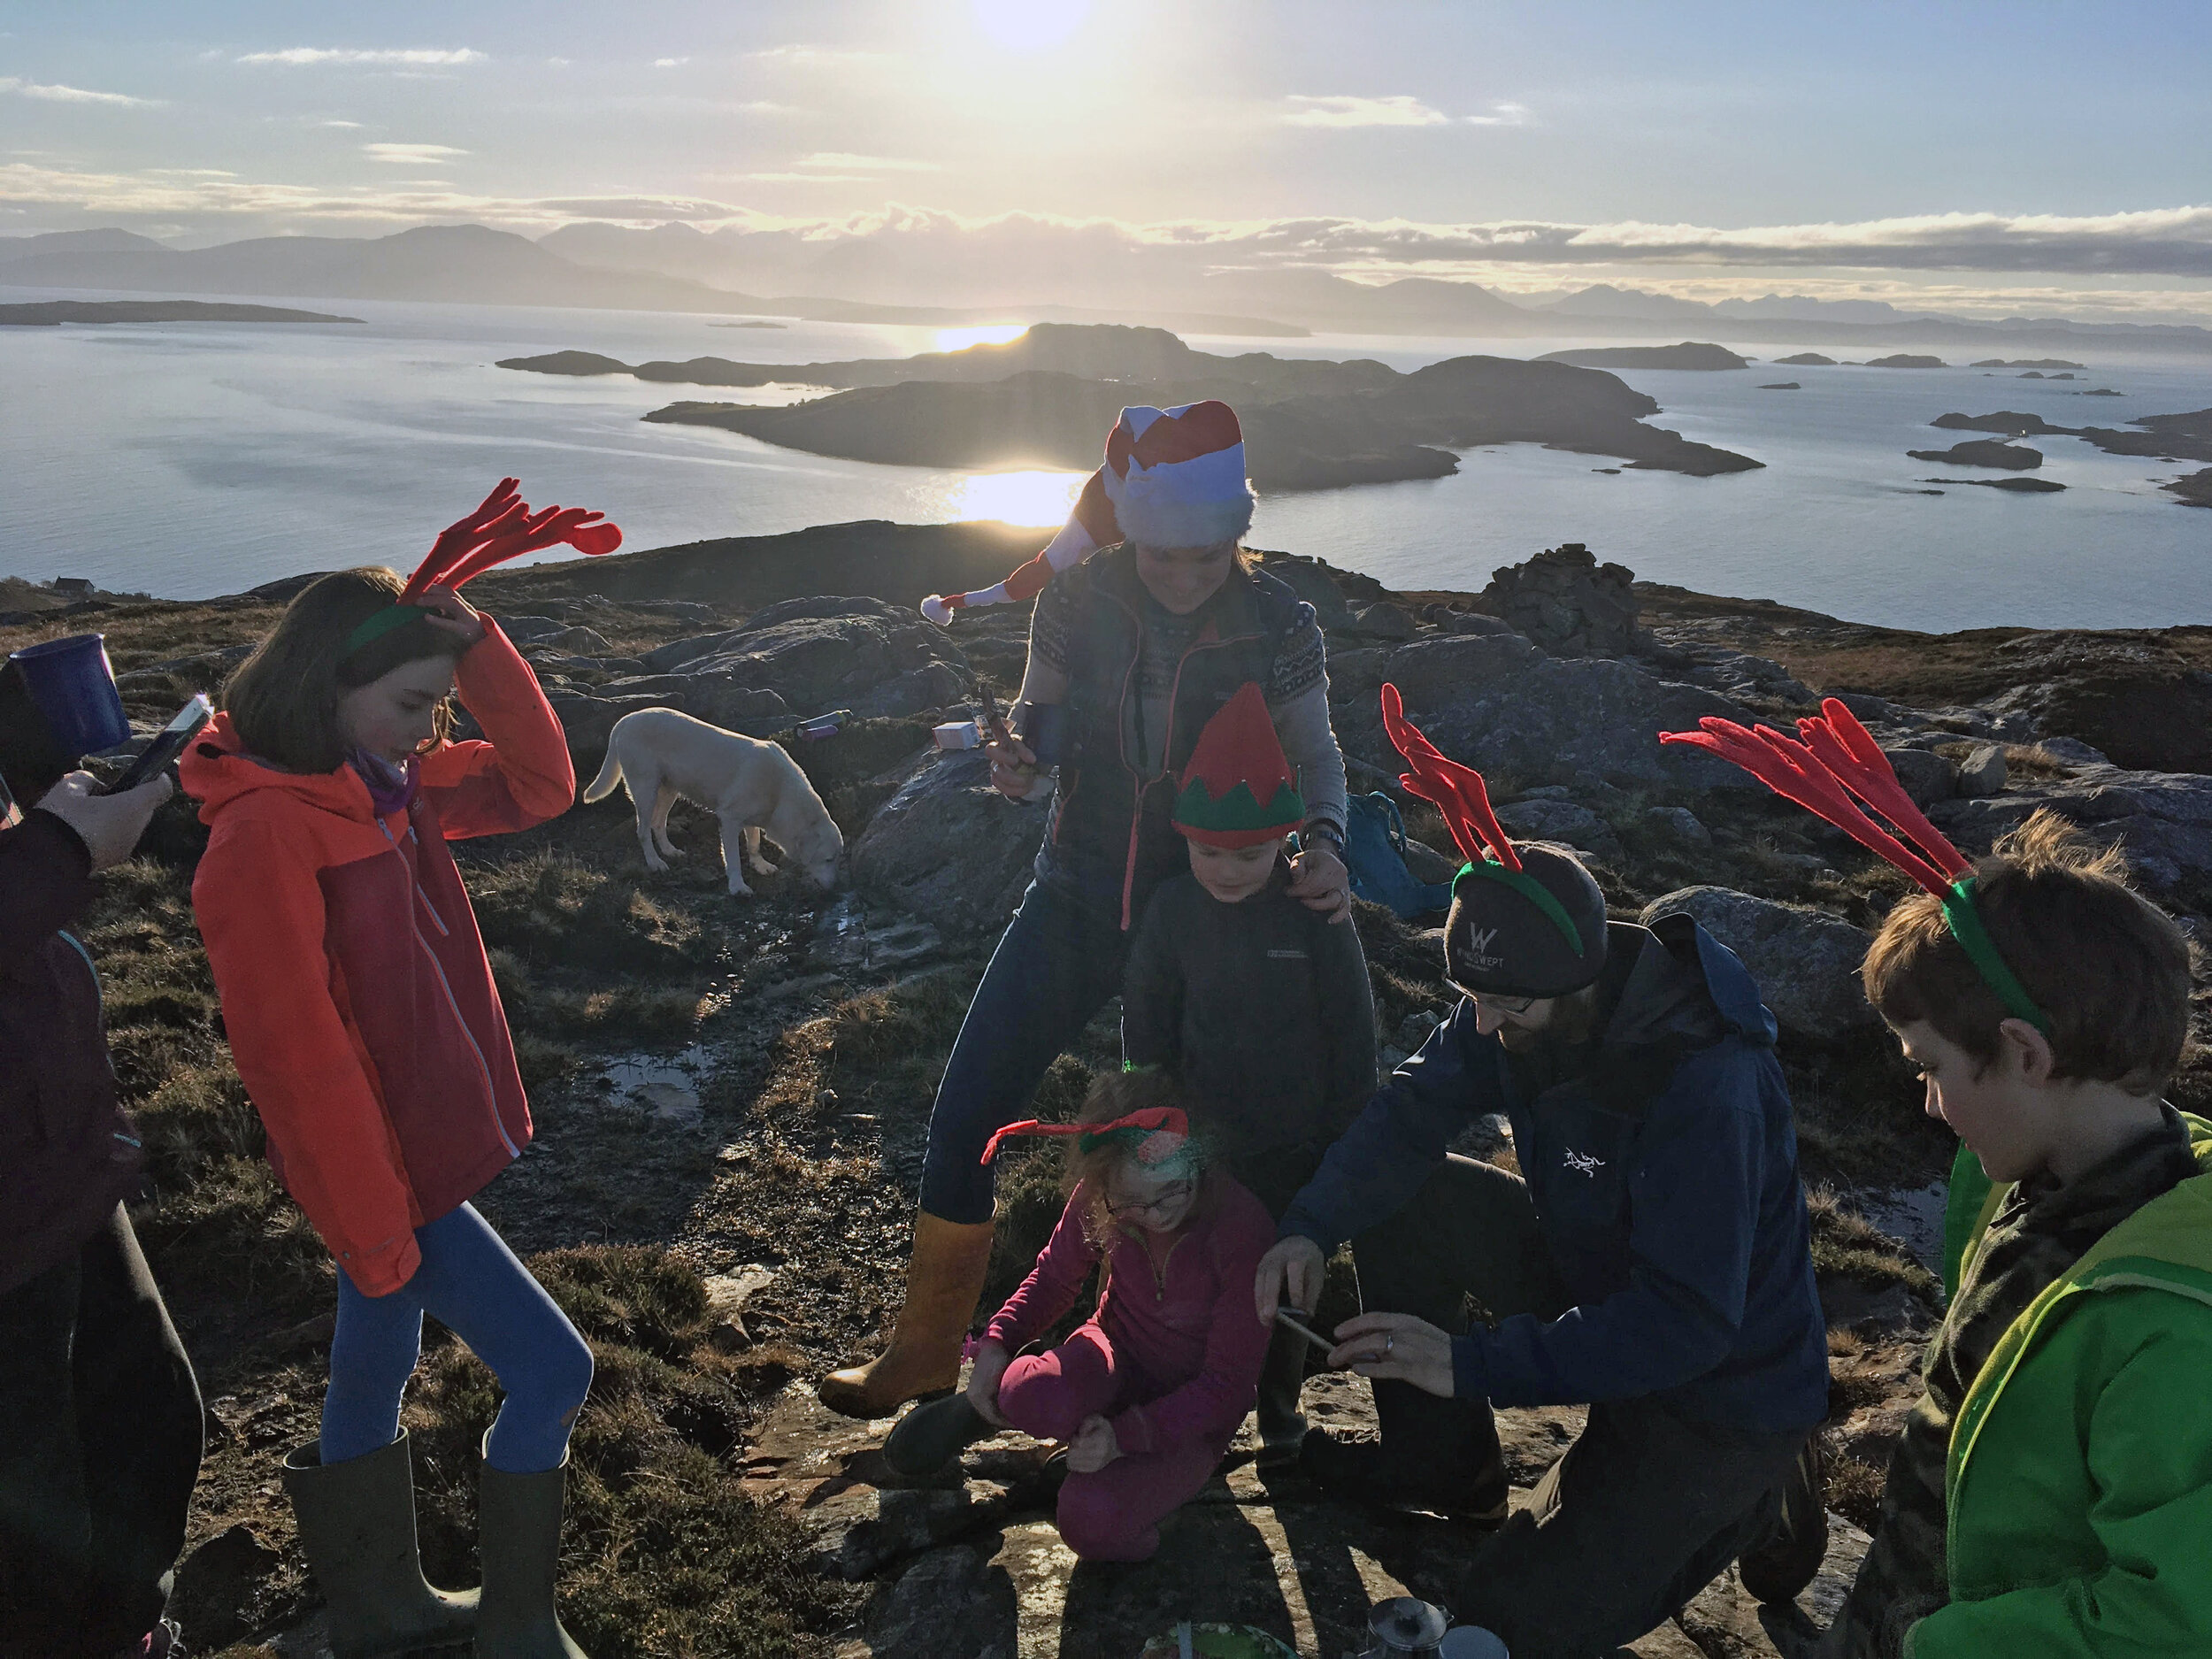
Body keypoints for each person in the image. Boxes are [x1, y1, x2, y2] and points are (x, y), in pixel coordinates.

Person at [1253, 686, 1831, 1659]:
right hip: (1599, 1281)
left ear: (1583, 986)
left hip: (1716, 1383)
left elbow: (1686, 1321)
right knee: (1410, 1194)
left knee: (1504, 1628)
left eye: (1503, 1007)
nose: (1481, 1026)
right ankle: (1442, 1467)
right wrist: (1309, 1224)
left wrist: (1470, 1362)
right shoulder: (1515, 998)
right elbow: (1410, 1109)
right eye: (1467, 998)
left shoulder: (1705, 1082)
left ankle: (1759, 1490)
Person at [821, 401, 1354, 1418]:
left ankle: (1222, 1380)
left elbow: (1317, 752)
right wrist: (1017, 763)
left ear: (1236, 534)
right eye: (1162, 555)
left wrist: (1323, 846)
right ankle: (927, 1353)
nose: (1185, 577)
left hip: (1212, 916)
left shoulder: (1279, 619)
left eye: (1207, 555)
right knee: (967, 1118)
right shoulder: (1073, 600)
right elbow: (1038, 722)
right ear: (1127, 528)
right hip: (1071, 893)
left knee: (1221, 1154)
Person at [1663, 701, 2212, 1658]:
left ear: (2024, 1054)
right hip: (1902, 1600)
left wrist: (1942, 1644)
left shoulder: (2177, 1333)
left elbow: (2171, 1622)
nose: (1927, 1105)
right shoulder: (2035, 1178)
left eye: (1928, 1069)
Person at [181, 482, 614, 1659]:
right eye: (413, 705)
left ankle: (379, 1607)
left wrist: (475, 646)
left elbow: (540, 784)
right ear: (330, 687)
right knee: (551, 1370)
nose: (431, 732)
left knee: (373, 1358)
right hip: (389, 1169)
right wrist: (373, 1220)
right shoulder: (267, 834)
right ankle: (519, 1628)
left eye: (439, 709)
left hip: (407, 1151)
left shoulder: (389, 786)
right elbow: (295, 1058)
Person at [1119, 679, 1376, 1463]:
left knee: (1288, 1279)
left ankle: (1279, 1408)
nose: (1229, 869)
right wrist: (1145, 1118)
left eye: (1251, 852)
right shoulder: (1170, 911)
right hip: (1202, 1141)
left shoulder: (1312, 909)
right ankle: (1198, 1389)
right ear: (1184, 838)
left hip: (1297, 1141)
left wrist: (1349, 1133)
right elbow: (1147, 1022)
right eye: (1209, 852)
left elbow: (1353, 1025)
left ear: (1284, 842)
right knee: (1201, 1268)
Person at [882, 1074, 1275, 1563]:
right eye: (1130, 1204)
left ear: (1200, 1162)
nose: (1153, 1215)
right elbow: (1053, 1278)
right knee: (1030, 1395)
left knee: (1090, 1523)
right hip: (1113, 1352)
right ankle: (988, 1407)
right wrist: (996, 1343)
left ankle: (1112, 1476)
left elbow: (1226, 1386)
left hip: (1190, 1413)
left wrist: (1124, 1438)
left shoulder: (1241, 1230)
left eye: (1171, 1193)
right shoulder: (1100, 1192)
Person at [2, 766, 204, 1658]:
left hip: (57, 1166)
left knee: (148, 1417)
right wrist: (62, 851)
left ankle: (127, 1636)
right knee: (31, 1531)